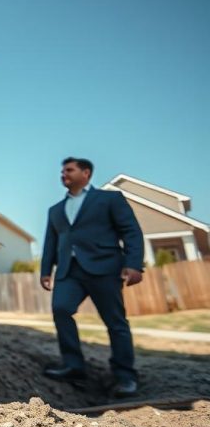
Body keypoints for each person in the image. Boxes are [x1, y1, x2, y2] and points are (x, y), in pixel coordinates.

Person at [40, 157, 144, 398]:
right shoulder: (55, 210)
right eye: (62, 171)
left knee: (115, 322)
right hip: (69, 271)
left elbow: (131, 231)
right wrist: (46, 270)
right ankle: (74, 366)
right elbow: (50, 243)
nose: (63, 174)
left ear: (86, 173)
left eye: (69, 170)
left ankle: (125, 376)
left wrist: (134, 264)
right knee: (61, 309)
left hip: (105, 268)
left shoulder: (109, 199)